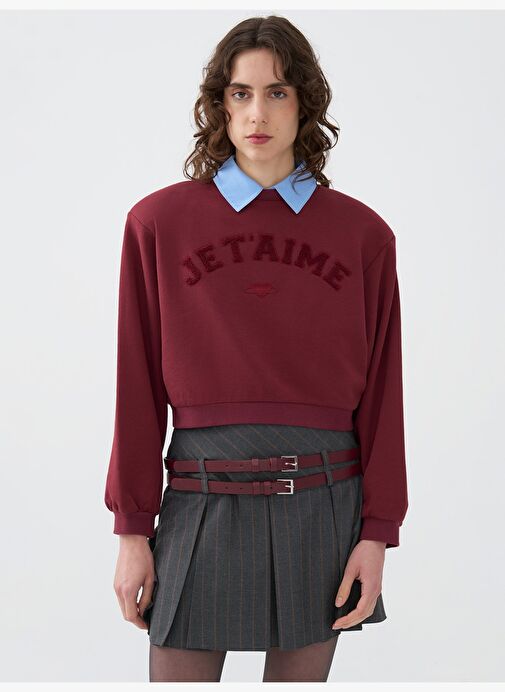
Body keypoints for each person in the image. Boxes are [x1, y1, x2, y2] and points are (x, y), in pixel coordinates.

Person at [104, 14, 409, 683]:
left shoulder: (363, 236)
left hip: (324, 501)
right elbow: (136, 386)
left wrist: (377, 532)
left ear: (305, 103)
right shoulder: (157, 224)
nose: (257, 113)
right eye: (240, 93)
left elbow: (385, 393)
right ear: (220, 104)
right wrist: (132, 530)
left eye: (276, 92)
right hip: (199, 498)